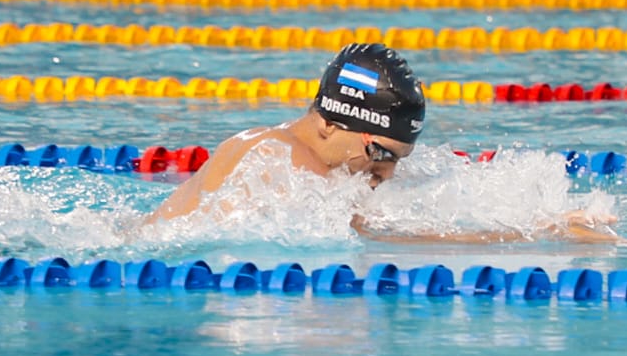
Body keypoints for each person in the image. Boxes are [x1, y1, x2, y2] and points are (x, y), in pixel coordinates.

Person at [152, 44, 426, 223]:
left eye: (399, 158)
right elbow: (371, 234)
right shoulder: (276, 155)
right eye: (380, 153)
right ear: (330, 123)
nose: (387, 173)